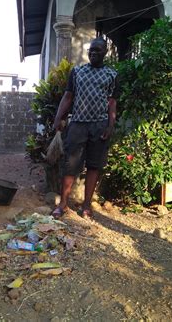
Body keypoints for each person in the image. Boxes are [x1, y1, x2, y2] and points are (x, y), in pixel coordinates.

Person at [51, 37, 119, 220]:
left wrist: (110, 125)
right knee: (70, 165)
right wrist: (58, 118)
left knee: (94, 166)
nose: (93, 53)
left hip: (99, 126)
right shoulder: (78, 72)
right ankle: (63, 204)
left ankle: (87, 205)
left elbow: (112, 102)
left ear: (105, 53)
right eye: (91, 50)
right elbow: (68, 96)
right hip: (78, 125)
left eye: (98, 50)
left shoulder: (112, 75)